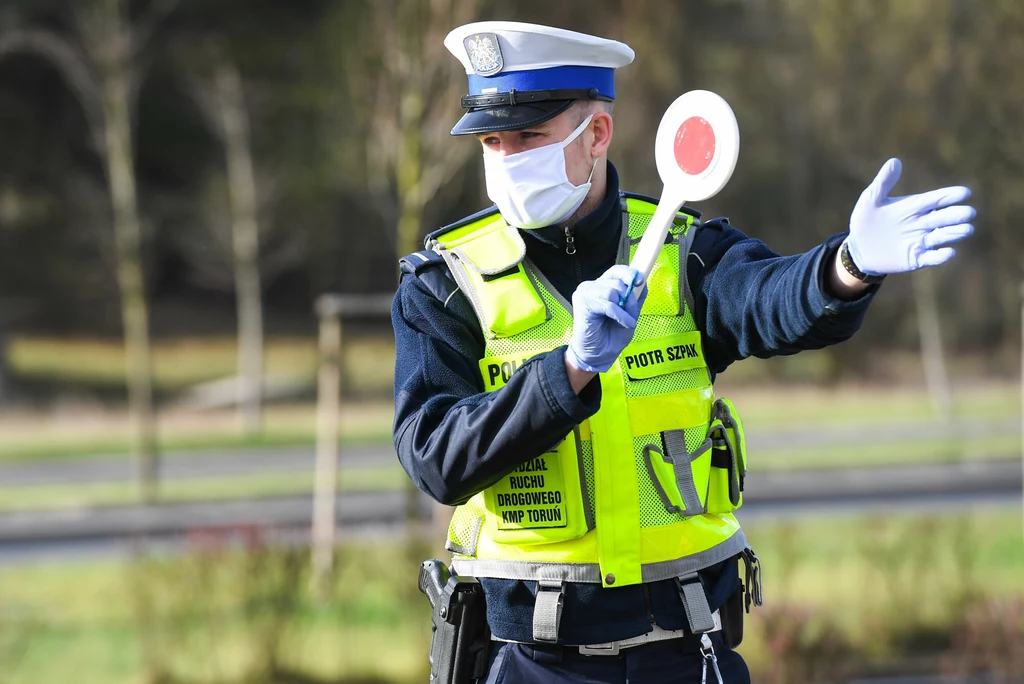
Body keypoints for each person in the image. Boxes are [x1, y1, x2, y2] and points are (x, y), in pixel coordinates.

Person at [391, 21, 976, 684]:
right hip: (535, 662)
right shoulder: (444, 285)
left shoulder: (685, 253)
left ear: (597, 136)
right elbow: (435, 457)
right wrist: (569, 370)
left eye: (527, 137)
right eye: (491, 142)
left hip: (688, 650)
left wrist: (847, 265)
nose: (504, 158)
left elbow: (770, 300)